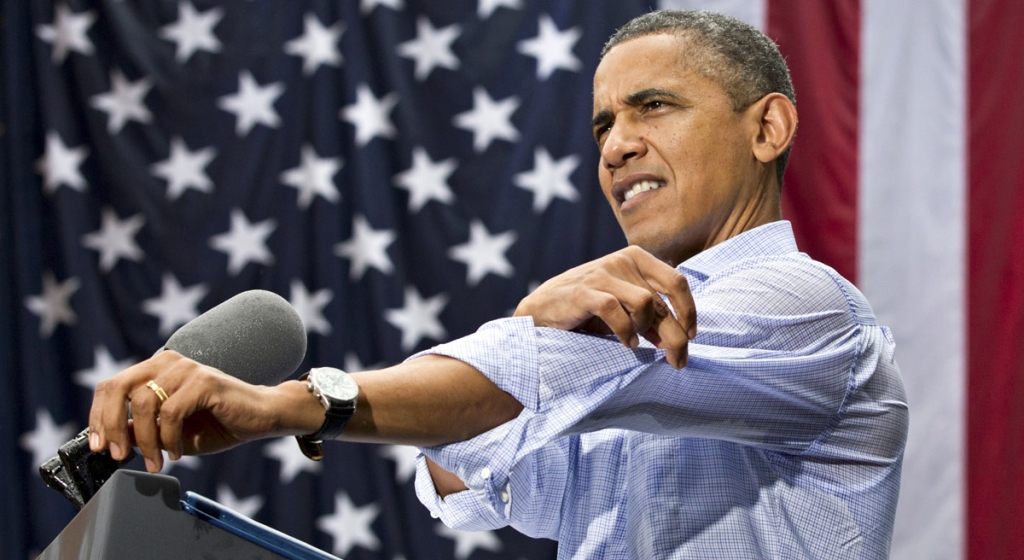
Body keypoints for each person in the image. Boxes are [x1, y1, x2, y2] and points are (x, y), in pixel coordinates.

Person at [88, 10, 908, 560]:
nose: (615, 146)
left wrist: (285, 406)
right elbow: (480, 487)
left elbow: (539, 384)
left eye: (653, 106)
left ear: (767, 128)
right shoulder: (620, 336)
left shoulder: (805, 305)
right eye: (604, 124)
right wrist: (529, 334)